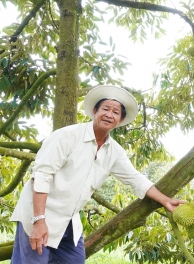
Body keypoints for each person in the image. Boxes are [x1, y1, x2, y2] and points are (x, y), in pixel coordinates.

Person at [9, 85, 184, 263]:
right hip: (40, 213)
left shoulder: (114, 151)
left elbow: (135, 178)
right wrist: (38, 221)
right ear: (95, 111)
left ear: (120, 119)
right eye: (105, 109)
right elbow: (41, 175)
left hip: (69, 221)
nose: (109, 114)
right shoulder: (67, 136)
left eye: (115, 112)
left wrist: (165, 200)